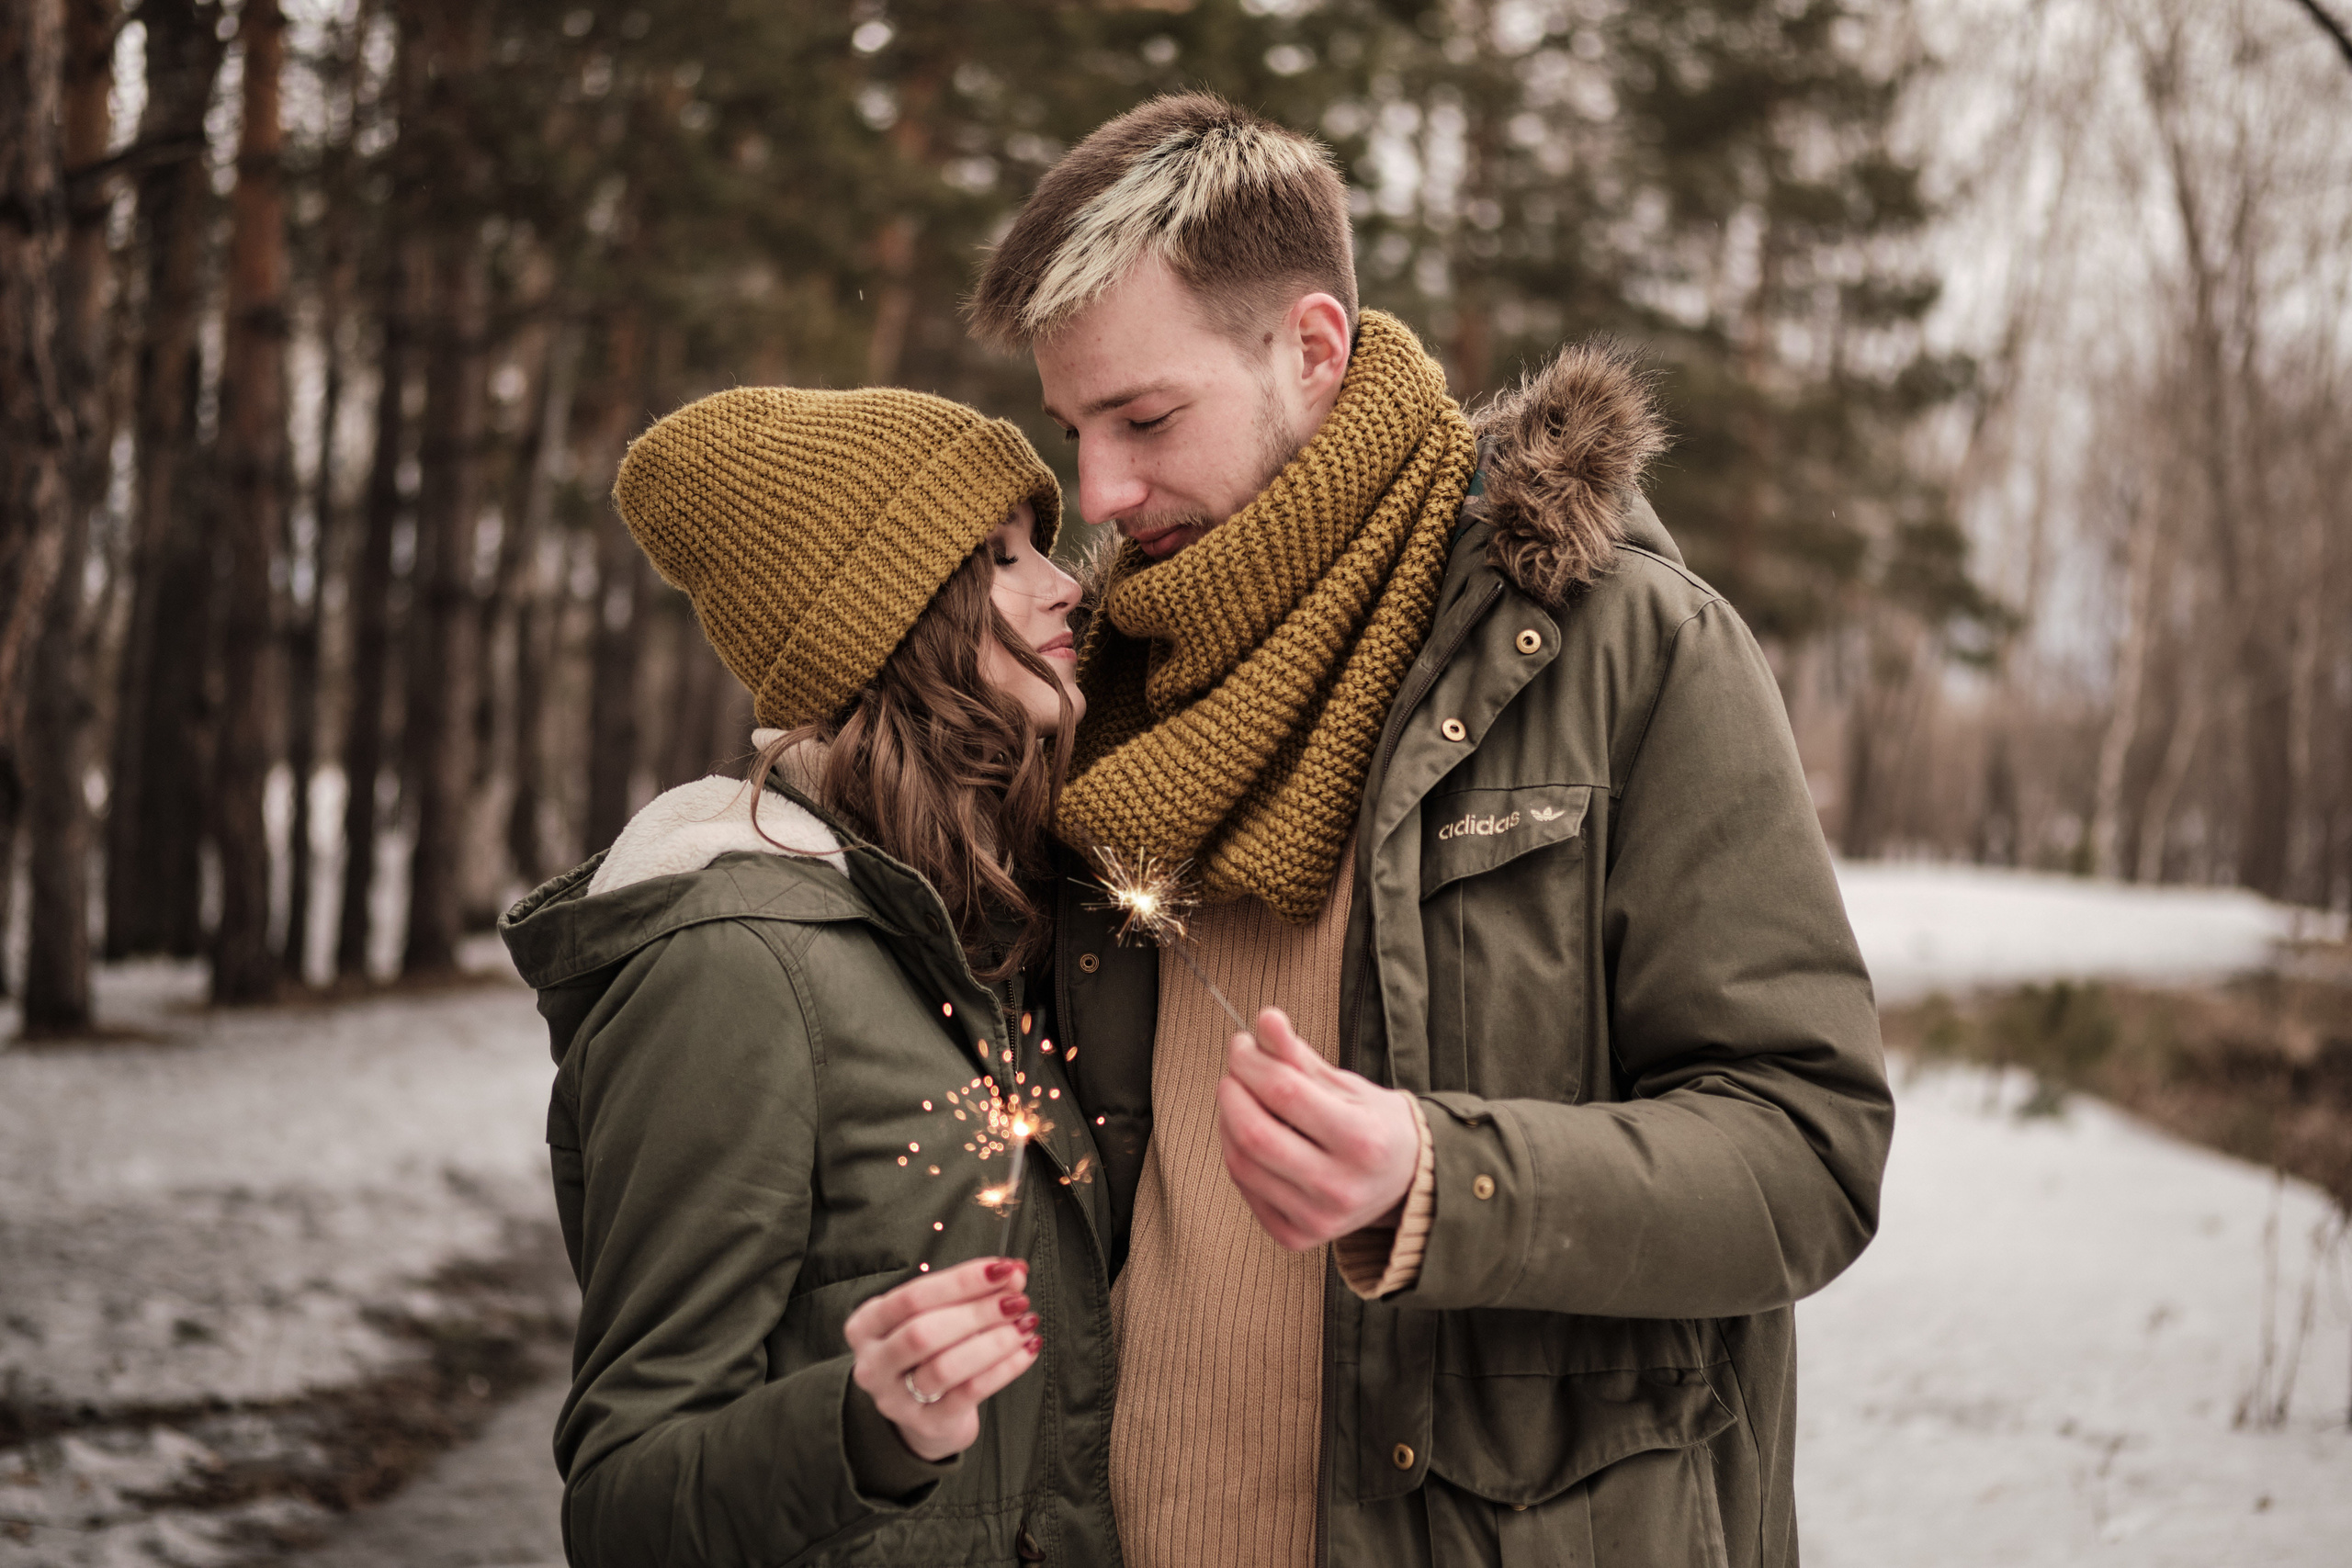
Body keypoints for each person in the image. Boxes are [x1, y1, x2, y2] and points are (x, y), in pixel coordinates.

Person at [967, 94, 1894, 1567]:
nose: (1102, 493)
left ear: (1313, 350)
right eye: (1074, 430)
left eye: (1145, 419)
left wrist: (1436, 1177)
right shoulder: (1106, 702)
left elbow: (1810, 1149)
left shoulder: (1627, 655)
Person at [499, 387, 1120, 1567]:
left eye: (1038, 546)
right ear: (887, 623)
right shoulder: (730, 965)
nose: (1063, 586)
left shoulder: (974, 926)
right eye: (998, 559)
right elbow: (622, 1498)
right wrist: (866, 1428)